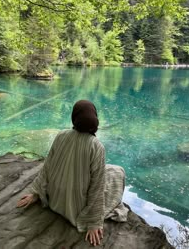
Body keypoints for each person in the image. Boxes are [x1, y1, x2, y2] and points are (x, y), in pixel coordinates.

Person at [17, 100, 128, 246]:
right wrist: (93, 222)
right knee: (118, 172)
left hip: (55, 201)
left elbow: (47, 167)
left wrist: (36, 193)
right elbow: (97, 187)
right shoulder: (96, 146)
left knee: (108, 169)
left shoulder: (61, 135)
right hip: (76, 210)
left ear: (74, 117)